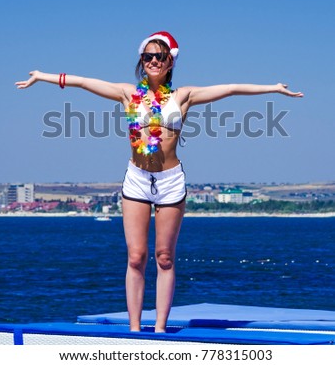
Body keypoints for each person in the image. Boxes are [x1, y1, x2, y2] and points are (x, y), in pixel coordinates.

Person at [15, 31, 303, 332]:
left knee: (164, 257)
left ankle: (161, 329)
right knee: (136, 257)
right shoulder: (128, 94)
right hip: (137, 179)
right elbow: (84, 82)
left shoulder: (183, 96)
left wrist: (273, 88)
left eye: (160, 56)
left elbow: (230, 89)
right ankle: (135, 329)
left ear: (170, 63)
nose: (153, 61)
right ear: (142, 61)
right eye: (148, 56)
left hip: (169, 181)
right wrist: (41, 76)